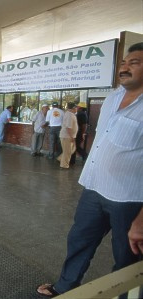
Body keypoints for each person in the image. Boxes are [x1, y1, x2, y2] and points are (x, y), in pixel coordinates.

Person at [37, 42, 143, 298]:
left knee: (127, 256)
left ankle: (125, 295)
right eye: (124, 63)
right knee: (79, 240)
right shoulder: (114, 96)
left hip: (128, 199)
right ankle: (64, 287)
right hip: (94, 188)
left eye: (135, 62)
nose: (125, 67)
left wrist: (141, 220)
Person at [57, 102, 78, 169]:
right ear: (73, 108)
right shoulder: (70, 115)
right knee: (67, 152)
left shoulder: (70, 114)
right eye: (76, 108)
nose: (76, 109)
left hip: (67, 136)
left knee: (71, 149)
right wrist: (71, 137)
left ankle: (60, 158)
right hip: (67, 136)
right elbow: (68, 127)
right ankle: (64, 165)